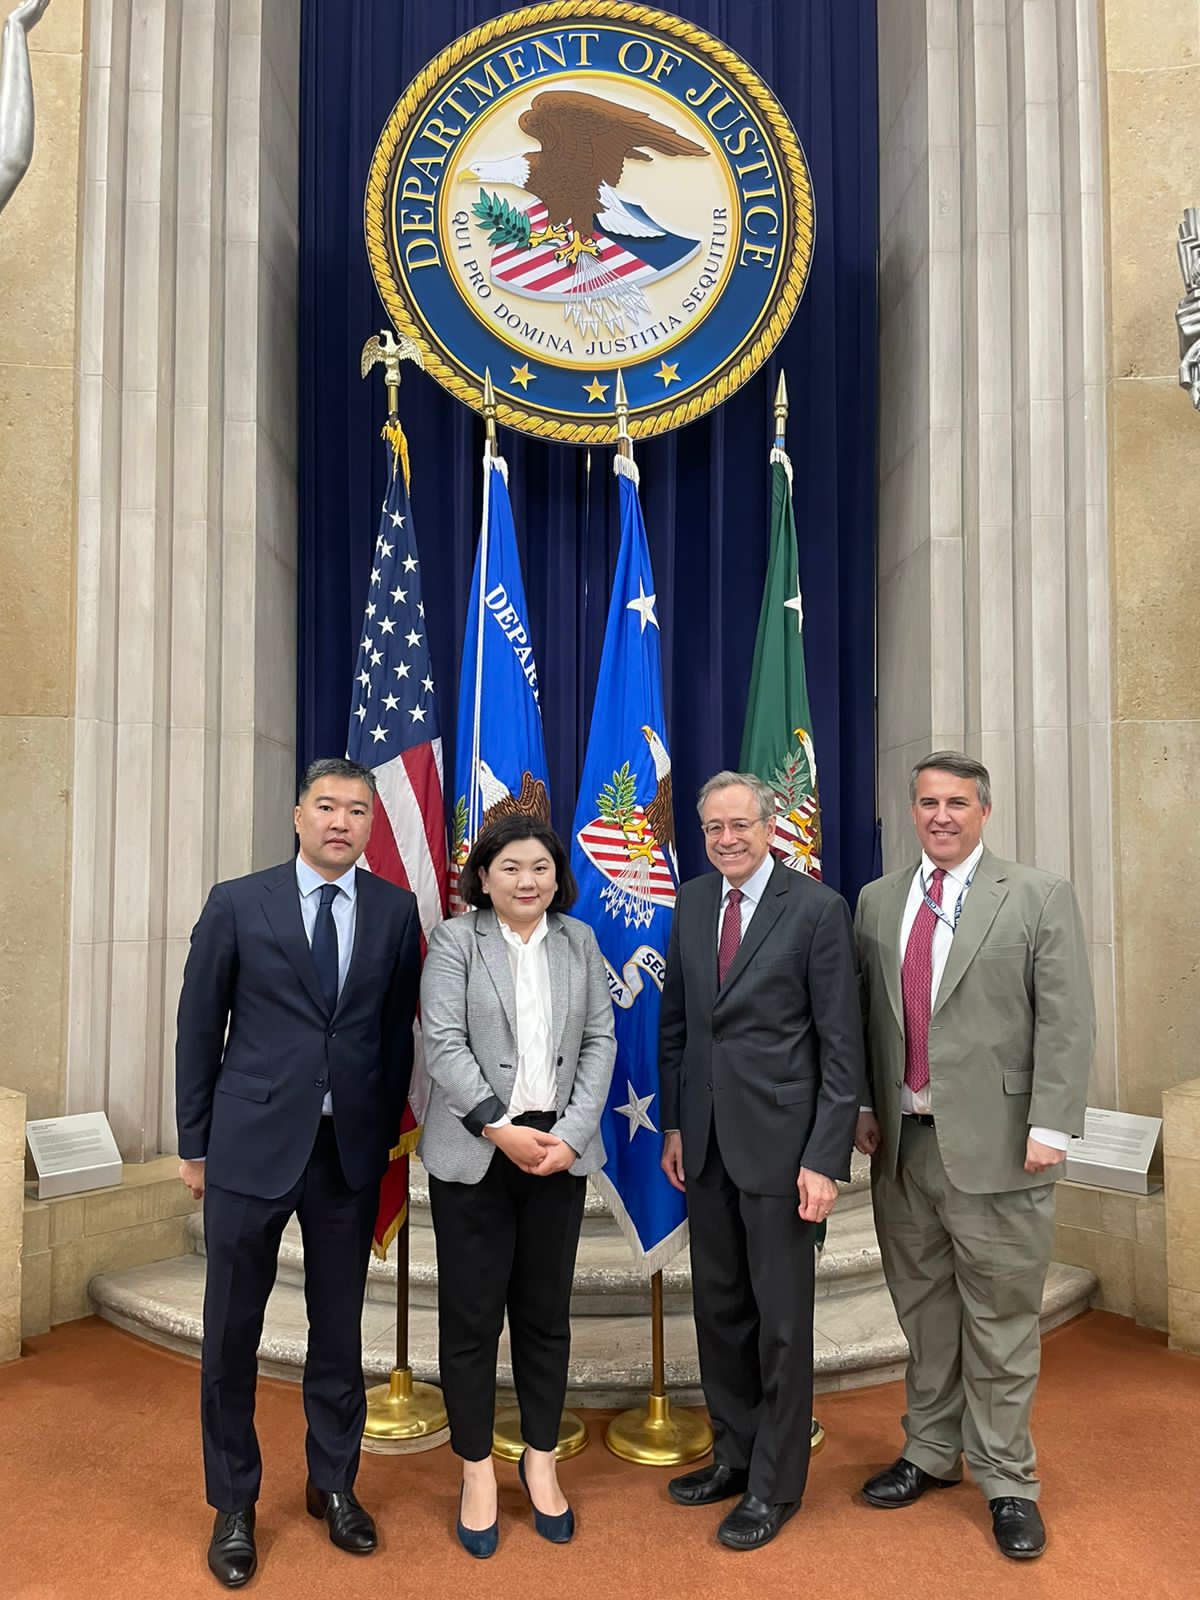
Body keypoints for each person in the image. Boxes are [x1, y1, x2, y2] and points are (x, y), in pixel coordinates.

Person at [175, 757, 421, 1588]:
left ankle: (334, 1484)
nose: (340, 822)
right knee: (230, 1333)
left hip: (346, 1154)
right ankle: (233, 1502)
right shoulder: (238, 903)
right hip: (248, 1148)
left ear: (371, 824)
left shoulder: (394, 910)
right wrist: (195, 1143)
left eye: (356, 810)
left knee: (339, 1330)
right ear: (297, 816)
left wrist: (381, 1133)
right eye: (326, 806)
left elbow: (393, 1035)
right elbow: (198, 1027)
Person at [854, 751, 1094, 1561]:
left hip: (1002, 1149)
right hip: (904, 1148)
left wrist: (1051, 1125)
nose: (941, 816)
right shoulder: (878, 900)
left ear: (984, 811)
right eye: (928, 802)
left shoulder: (1036, 895)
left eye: (957, 802)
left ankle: (1006, 1480)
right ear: (913, 811)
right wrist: (863, 1105)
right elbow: (865, 1016)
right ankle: (930, 1451)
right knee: (925, 1317)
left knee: (999, 1322)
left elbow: (1065, 1019)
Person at [658, 771, 863, 1551]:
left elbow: (840, 1046)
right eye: (714, 827)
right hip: (706, 1144)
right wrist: (676, 1125)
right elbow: (678, 1026)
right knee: (719, 1312)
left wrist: (824, 1158)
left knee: (780, 1323)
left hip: (783, 1153)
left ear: (770, 828)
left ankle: (775, 1486)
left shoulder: (816, 909)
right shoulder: (691, 903)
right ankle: (734, 1456)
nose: (727, 839)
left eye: (740, 824)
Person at [419, 816, 616, 1558]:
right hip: (478, 1150)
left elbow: (599, 1040)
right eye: (510, 867)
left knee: (544, 1315)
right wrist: (498, 1127)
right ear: (484, 877)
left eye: (540, 867)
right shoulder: (454, 940)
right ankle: (475, 1468)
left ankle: (540, 1459)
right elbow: (442, 1041)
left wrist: (572, 1134)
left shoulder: (579, 941)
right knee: (471, 1319)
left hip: (557, 1152)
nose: (526, 880)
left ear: (558, 876)